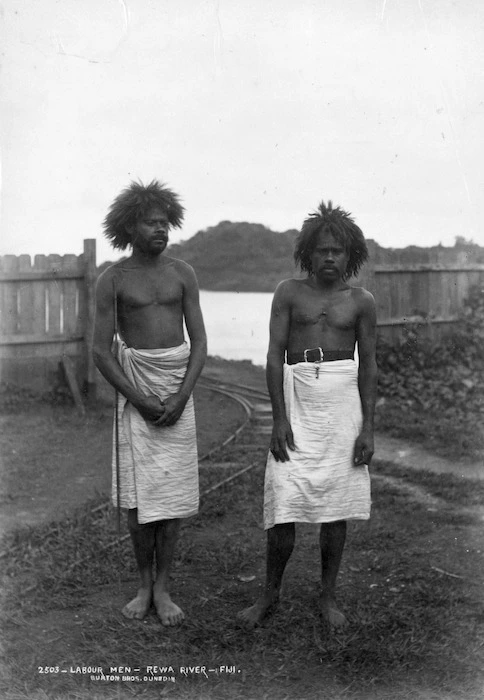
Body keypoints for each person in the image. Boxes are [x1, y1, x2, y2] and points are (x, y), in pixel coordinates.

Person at [239, 199, 377, 629]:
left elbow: (369, 365)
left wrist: (368, 427)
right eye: (322, 250)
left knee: (335, 506)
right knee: (284, 499)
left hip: (342, 411)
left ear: (350, 254)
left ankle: (328, 596)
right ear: (308, 253)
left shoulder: (361, 302)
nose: (330, 257)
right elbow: (273, 356)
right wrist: (279, 418)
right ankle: (269, 595)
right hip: (297, 405)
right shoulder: (288, 292)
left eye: (338, 250)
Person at [93, 180, 207, 626]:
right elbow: (101, 351)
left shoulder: (183, 273)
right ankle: (144, 584)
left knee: (173, 496)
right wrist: (138, 398)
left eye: (165, 222)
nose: (160, 229)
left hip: (178, 389)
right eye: (150, 222)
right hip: (136, 391)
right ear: (129, 226)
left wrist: (181, 395)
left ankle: (164, 587)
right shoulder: (113, 279)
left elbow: (199, 343)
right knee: (140, 499)